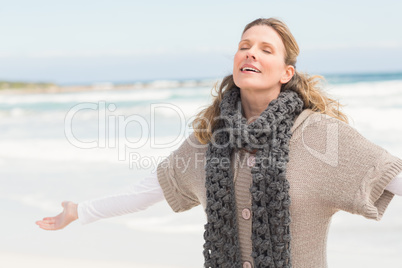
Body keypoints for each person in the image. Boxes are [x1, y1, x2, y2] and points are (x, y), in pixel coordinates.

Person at [36, 18, 402, 268]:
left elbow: (391, 177)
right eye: (244, 46)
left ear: (287, 73)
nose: (251, 53)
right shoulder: (208, 140)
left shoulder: (321, 135)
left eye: (265, 49)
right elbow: (148, 190)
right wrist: (79, 211)